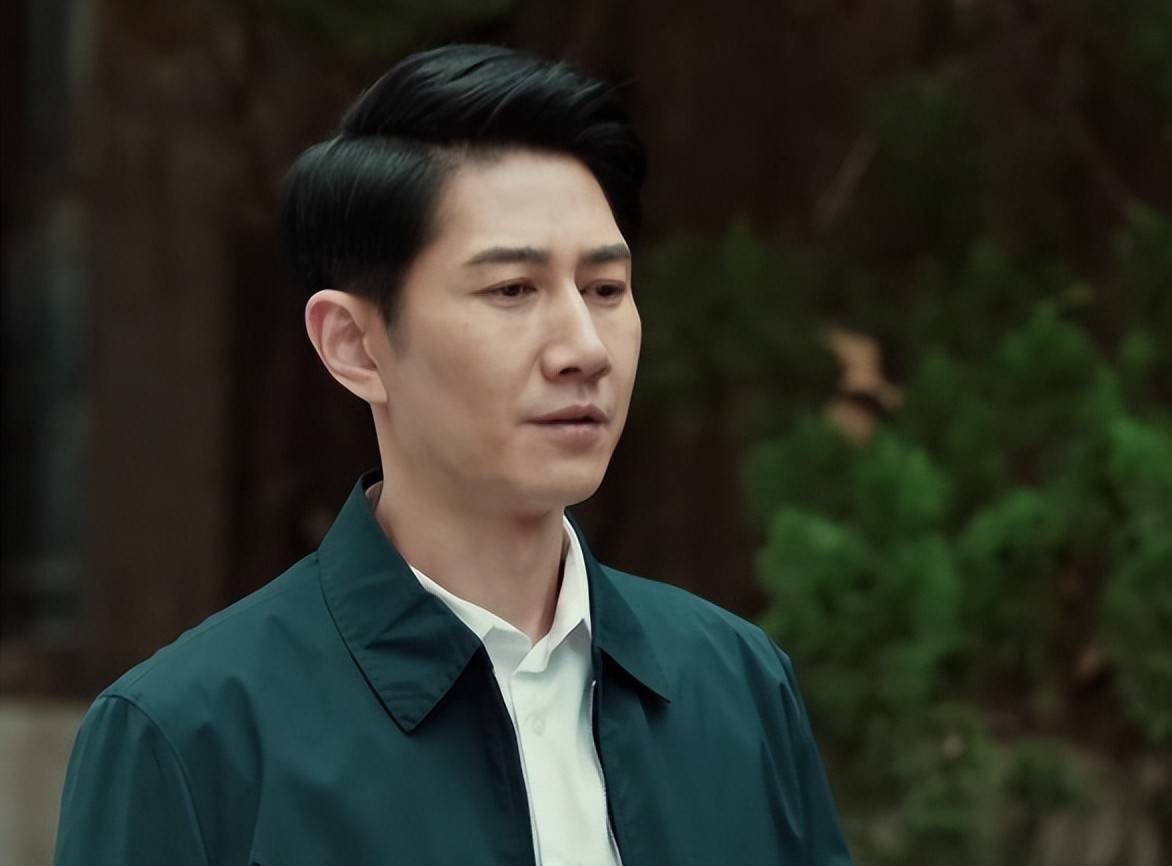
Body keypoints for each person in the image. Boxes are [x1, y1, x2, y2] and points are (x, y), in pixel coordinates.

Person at [53, 44, 851, 866]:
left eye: (605, 290)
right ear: (354, 345)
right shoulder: (189, 737)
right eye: (512, 290)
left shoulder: (737, 686)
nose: (585, 348)